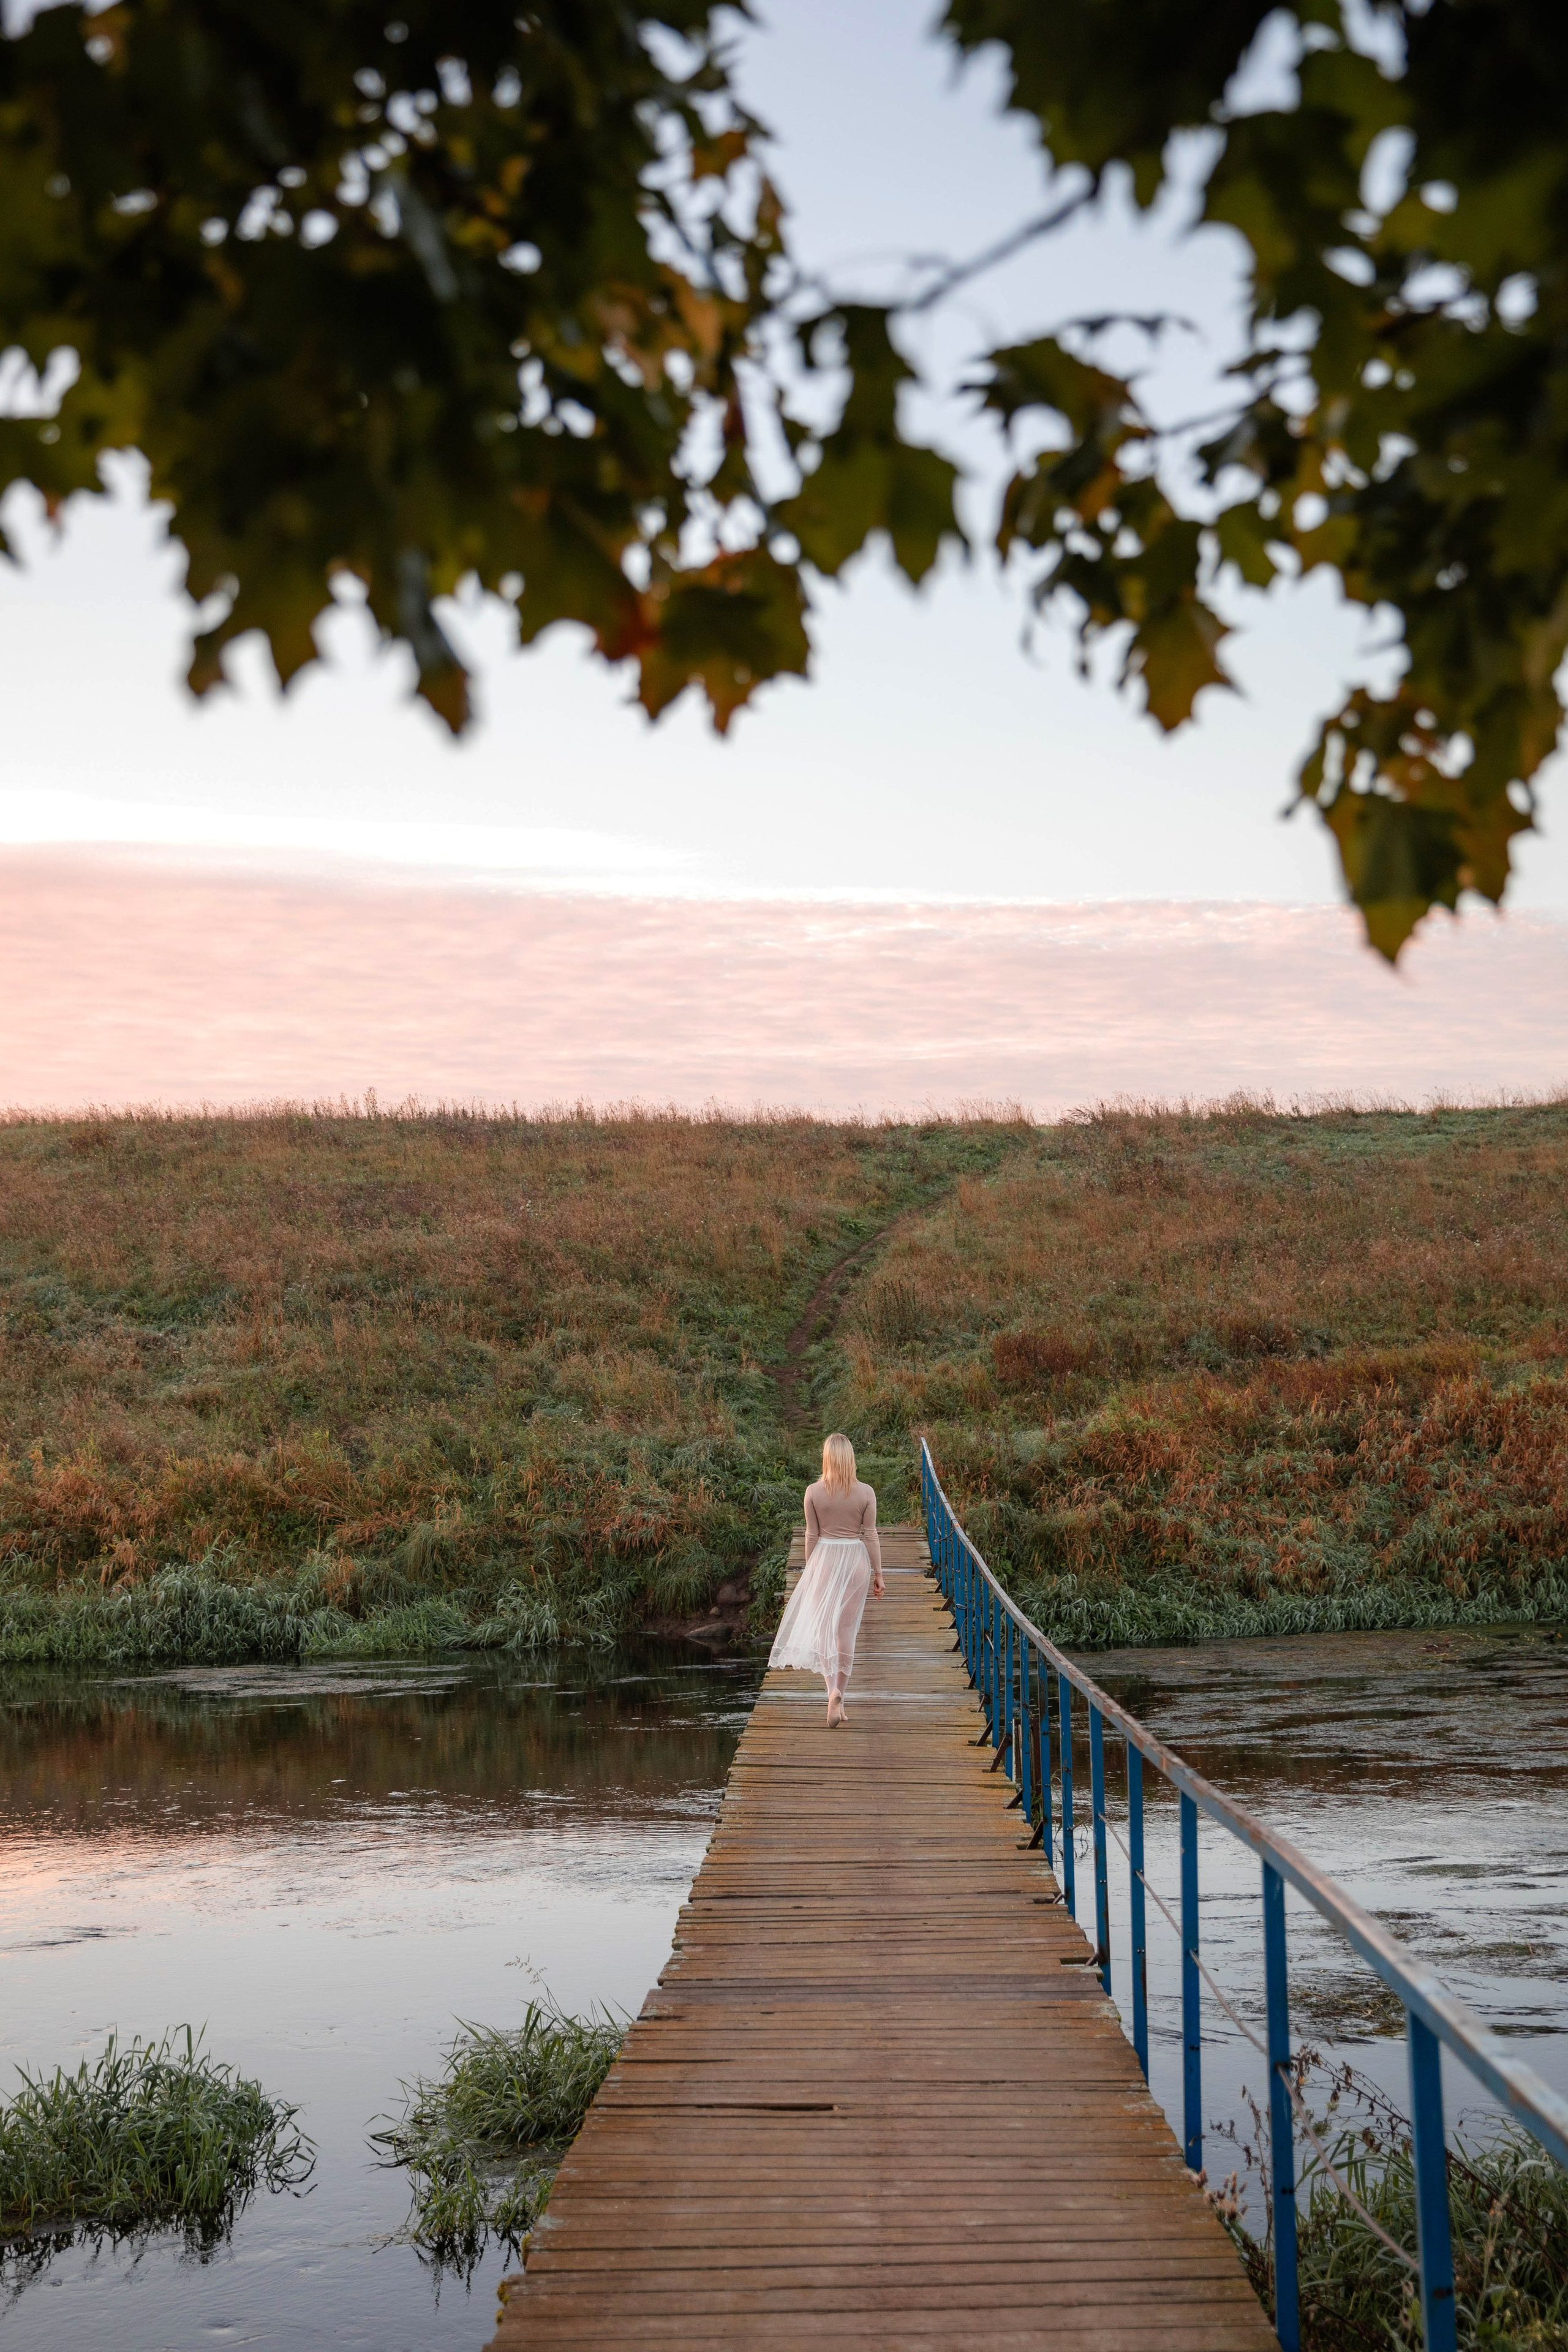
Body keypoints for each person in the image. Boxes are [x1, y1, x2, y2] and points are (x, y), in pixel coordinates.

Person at [768, 1431, 884, 1727]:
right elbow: (870, 1535)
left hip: (825, 1558)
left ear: (827, 1458)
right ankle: (840, 1697)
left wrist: (811, 1571)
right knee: (846, 1630)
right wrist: (879, 1573)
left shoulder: (813, 1492)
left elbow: (812, 1536)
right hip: (855, 1559)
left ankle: (831, 1690)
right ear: (851, 1458)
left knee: (824, 1628)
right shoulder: (866, 1492)